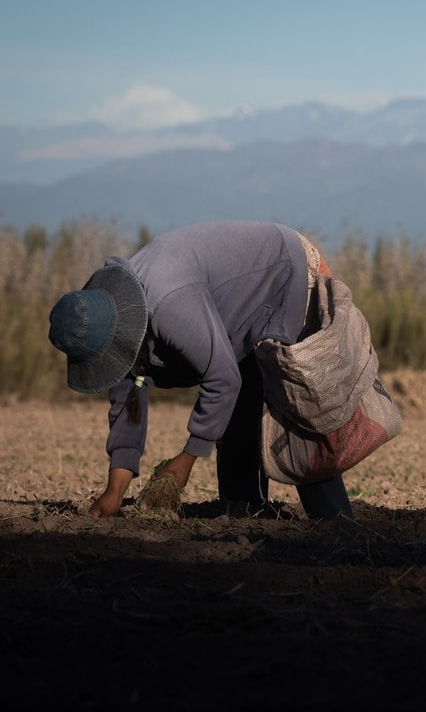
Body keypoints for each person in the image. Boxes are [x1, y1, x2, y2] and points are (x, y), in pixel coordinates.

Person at [47, 221, 356, 520]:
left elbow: (222, 379)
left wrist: (187, 458)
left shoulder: (169, 304)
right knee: (238, 394)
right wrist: (114, 492)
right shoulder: (113, 316)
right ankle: (243, 509)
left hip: (283, 270)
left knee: (291, 398)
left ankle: (333, 521)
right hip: (232, 303)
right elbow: (127, 402)